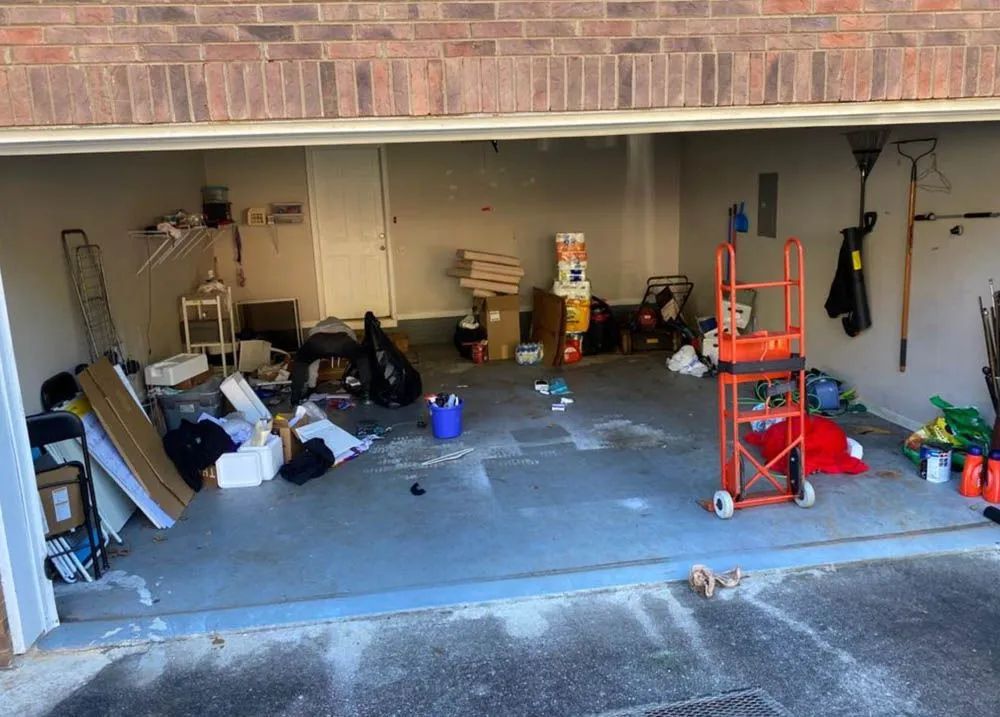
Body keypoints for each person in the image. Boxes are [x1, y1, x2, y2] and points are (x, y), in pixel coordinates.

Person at [289, 317, 370, 404]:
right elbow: (353, 341)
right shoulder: (344, 326)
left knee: (300, 361)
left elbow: (313, 364)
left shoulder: (318, 326)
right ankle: (366, 393)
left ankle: (295, 397)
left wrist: (312, 386)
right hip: (342, 341)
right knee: (362, 358)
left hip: (317, 341)